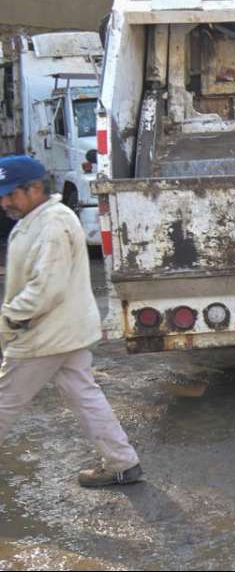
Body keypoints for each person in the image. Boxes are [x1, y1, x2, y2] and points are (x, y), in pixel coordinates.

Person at [0, 155, 142, 488]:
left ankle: (123, 462)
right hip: (64, 332)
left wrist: (9, 317)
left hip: (44, 335)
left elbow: (45, 288)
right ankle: (123, 463)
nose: (4, 201)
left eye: (10, 193)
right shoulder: (39, 217)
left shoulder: (52, 224)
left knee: (4, 400)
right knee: (85, 396)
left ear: (35, 188)